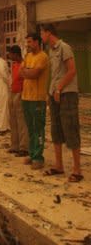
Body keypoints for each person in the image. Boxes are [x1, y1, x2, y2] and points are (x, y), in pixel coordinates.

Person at [41, 23, 83, 182]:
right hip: (55, 94)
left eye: (42, 33)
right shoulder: (50, 51)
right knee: (56, 129)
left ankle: (77, 170)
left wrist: (58, 88)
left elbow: (72, 70)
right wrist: (50, 92)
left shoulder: (64, 47)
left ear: (49, 33)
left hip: (67, 94)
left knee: (70, 128)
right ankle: (59, 166)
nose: (42, 37)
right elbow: (55, 73)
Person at [20, 33, 49, 170]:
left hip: (38, 99)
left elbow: (34, 74)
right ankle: (32, 154)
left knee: (38, 129)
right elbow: (21, 72)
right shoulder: (28, 56)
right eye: (27, 42)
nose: (28, 45)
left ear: (37, 42)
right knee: (30, 129)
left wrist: (27, 72)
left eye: (30, 42)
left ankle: (38, 157)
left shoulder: (42, 57)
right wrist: (27, 72)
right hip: (26, 97)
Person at [8, 45, 28, 156]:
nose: (9, 56)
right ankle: (14, 145)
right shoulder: (14, 64)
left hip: (20, 93)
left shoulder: (23, 64)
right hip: (12, 92)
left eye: (10, 54)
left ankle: (24, 147)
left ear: (15, 54)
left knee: (21, 122)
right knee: (13, 121)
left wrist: (23, 93)